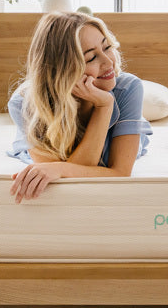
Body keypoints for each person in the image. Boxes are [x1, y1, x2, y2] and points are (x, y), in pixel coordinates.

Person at [8, 12, 151, 202]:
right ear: (63, 70)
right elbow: (65, 180)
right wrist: (59, 169)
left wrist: (105, 105)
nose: (109, 62)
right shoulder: (24, 103)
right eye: (91, 58)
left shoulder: (128, 88)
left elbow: (120, 172)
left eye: (107, 47)